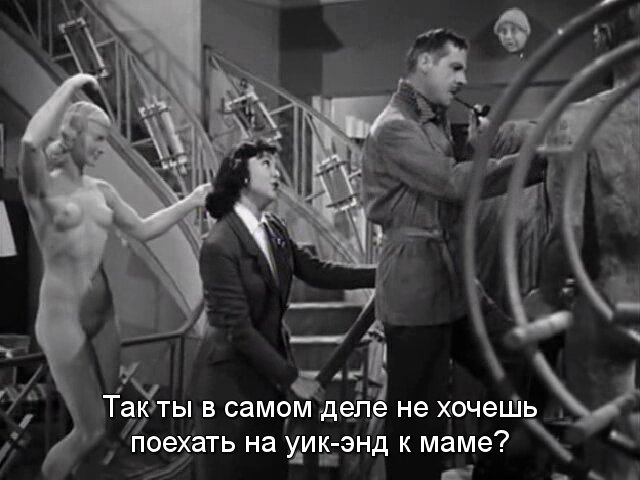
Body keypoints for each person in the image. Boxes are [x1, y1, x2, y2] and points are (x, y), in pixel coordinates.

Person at [360, 28, 547, 480]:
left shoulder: (434, 118)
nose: (464, 79)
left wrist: (476, 148)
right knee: (416, 424)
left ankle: (494, 470)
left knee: (517, 355)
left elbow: (446, 184)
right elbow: (451, 182)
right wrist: (535, 162)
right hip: (416, 284)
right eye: (455, 67)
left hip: (454, 280)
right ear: (424, 63)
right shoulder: (394, 127)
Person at [19, 73, 211, 480]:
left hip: (104, 316)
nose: (103, 148)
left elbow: (143, 228)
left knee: (103, 428)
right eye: (98, 138)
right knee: (88, 430)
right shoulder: (41, 188)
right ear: (73, 134)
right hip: (63, 320)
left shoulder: (103, 190)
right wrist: (70, 86)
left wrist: (191, 201)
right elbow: (31, 141)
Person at [189, 138, 375, 480]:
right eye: (266, 164)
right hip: (228, 385)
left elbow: (316, 271)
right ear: (242, 175)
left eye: (276, 165)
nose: (277, 173)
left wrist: (380, 274)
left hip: (264, 379)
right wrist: (293, 379)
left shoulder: (273, 228)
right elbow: (238, 328)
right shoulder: (219, 244)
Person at [540, 4, 640, 479]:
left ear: (601, 36)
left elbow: (568, 233)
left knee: (611, 464)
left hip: (609, 300)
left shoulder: (578, 119)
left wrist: (545, 296)